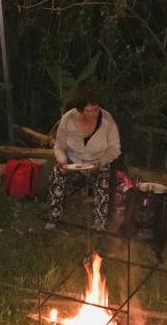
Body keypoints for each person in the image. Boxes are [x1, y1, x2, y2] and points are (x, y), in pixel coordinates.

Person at [46, 88, 122, 232]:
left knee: (104, 180)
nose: (94, 113)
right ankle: (53, 216)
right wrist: (62, 160)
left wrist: (100, 162)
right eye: (89, 111)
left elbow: (115, 148)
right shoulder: (68, 119)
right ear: (80, 109)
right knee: (57, 172)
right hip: (73, 162)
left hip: (97, 162)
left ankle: (99, 223)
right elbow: (59, 146)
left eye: (96, 109)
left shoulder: (107, 120)